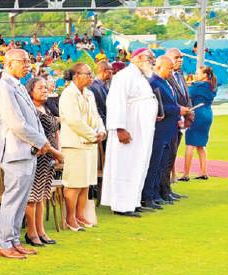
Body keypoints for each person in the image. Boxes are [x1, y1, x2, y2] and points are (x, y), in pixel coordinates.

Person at [0, 49, 62, 260]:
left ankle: (13, 241)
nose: (27, 65)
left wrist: (41, 143)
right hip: (15, 151)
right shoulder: (4, 88)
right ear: (8, 63)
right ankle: (3, 243)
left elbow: (32, 119)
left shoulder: (18, 85)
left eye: (28, 61)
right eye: (22, 61)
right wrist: (44, 144)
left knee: (21, 200)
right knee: (13, 200)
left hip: (28, 151)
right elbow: (17, 124)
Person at [102, 48, 158, 217]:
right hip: (129, 129)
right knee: (125, 166)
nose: (152, 61)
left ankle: (133, 201)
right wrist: (119, 128)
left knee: (138, 164)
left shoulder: (140, 76)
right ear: (137, 58)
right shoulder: (123, 76)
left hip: (141, 131)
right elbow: (115, 103)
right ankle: (121, 205)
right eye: (149, 58)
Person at [58, 63, 106, 232]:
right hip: (74, 144)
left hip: (89, 144)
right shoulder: (68, 94)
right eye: (88, 74)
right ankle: (70, 217)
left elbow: (96, 116)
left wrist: (101, 130)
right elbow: (74, 121)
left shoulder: (89, 93)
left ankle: (80, 215)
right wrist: (93, 135)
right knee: (74, 183)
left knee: (85, 183)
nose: (91, 77)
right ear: (76, 75)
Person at [143, 55, 188, 209]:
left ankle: (156, 194)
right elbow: (158, 107)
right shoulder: (153, 82)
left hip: (169, 129)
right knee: (155, 164)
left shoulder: (164, 82)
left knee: (162, 164)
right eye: (169, 68)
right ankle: (148, 196)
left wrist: (178, 112)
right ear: (159, 67)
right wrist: (178, 110)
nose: (171, 71)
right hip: (160, 130)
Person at [22, 77, 60, 247]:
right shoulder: (30, 110)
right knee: (32, 196)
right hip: (38, 155)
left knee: (42, 196)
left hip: (49, 157)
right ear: (30, 91)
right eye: (40, 88)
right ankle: (31, 233)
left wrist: (57, 151)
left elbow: (55, 131)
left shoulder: (46, 107)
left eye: (45, 87)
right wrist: (55, 152)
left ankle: (41, 231)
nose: (45, 90)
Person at [161, 48, 193, 201]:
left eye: (181, 57)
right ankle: (162, 190)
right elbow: (168, 100)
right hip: (170, 121)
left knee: (172, 157)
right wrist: (180, 111)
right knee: (165, 158)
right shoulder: (165, 77)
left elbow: (186, 96)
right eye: (176, 57)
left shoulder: (179, 75)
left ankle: (167, 189)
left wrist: (189, 112)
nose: (180, 59)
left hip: (181, 121)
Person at [180, 66, 216, 180]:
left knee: (190, 144)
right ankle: (204, 172)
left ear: (205, 75)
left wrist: (188, 85)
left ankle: (186, 174)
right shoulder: (212, 86)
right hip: (208, 114)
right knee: (201, 145)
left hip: (197, 114)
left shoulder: (197, 86)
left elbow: (186, 95)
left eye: (198, 73)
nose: (195, 75)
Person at [89, 60, 112, 128]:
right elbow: (96, 109)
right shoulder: (92, 87)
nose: (112, 73)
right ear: (104, 71)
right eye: (110, 71)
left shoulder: (105, 85)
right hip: (102, 126)